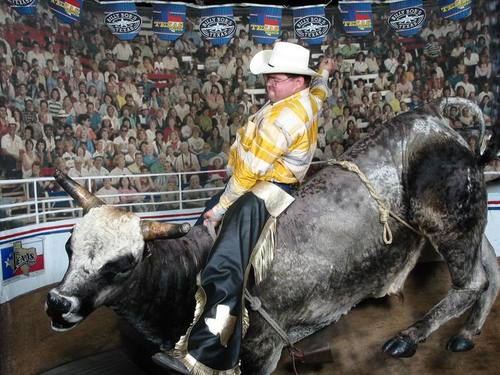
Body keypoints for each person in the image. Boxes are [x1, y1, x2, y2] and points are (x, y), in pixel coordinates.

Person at [153, 42, 334, 374]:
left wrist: (221, 208)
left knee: (224, 266)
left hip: (262, 192)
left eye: (276, 79)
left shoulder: (283, 118)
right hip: (259, 183)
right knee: (203, 239)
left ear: (298, 82)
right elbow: (320, 94)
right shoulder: (304, 98)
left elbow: (249, 173)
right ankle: (188, 319)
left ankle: (208, 359)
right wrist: (324, 73)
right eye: (269, 78)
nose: (269, 84)